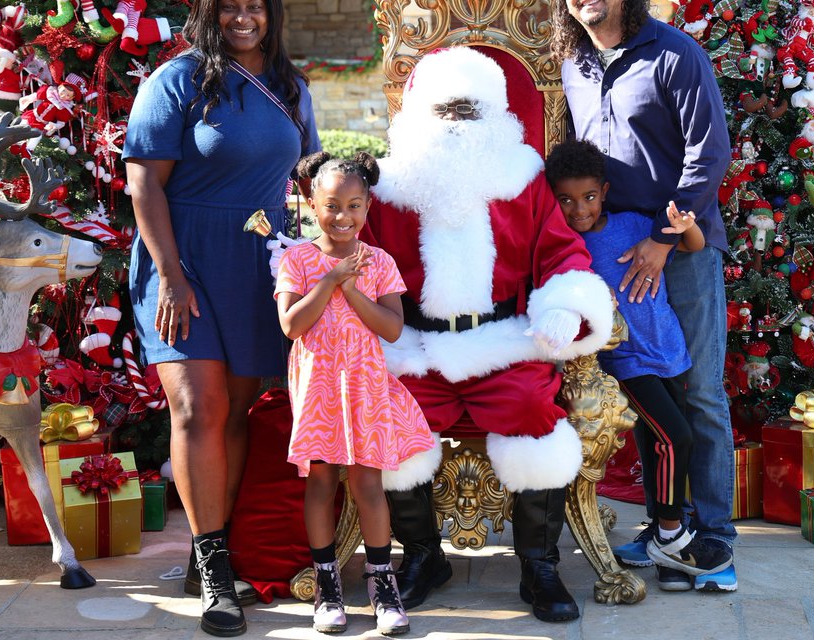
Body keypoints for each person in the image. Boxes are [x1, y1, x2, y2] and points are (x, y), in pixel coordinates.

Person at [359, 46, 615, 622]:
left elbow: (563, 254)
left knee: (533, 410)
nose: (456, 126)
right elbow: (361, 264)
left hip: (503, 341)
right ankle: (423, 556)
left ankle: (539, 564)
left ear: (496, 114)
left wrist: (563, 309)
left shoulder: (523, 177)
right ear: (420, 111)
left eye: (469, 112)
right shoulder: (389, 186)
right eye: (445, 111)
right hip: (415, 347)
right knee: (393, 421)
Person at [124, 0, 320, 637]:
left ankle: (220, 544)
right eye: (230, 7)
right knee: (197, 408)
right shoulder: (176, 81)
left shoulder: (292, 88)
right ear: (209, 12)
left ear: (273, 14)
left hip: (258, 263)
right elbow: (144, 184)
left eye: (255, 8)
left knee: (234, 411)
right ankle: (212, 571)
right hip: (184, 262)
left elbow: (311, 176)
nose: (243, 18)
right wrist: (171, 275)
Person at [553, 0, 737, 592]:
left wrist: (661, 239)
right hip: (610, 256)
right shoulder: (575, 63)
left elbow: (708, 153)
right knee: (645, 394)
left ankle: (712, 537)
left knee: (700, 392)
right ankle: (669, 528)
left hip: (677, 248)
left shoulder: (672, 53)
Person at [544, 140, 732, 587]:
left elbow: (695, 244)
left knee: (658, 440)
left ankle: (661, 533)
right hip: (627, 359)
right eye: (566, 200)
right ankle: (671, 533)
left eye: (588, 197)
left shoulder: (632, 225)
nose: (578, 210)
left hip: (668, 349)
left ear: (604, 191)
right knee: (676, 437)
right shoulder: (566, 247)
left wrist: (680, 227)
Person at [275, 151, 432, 636]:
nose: (343, 217)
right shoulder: (297, 258)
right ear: (311, 203)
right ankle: (327, 584)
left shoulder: (379, 262)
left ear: (367, 207)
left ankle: (382, 582)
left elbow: (390, 327)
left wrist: (352, 289)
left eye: (355, 206)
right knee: (321, 483)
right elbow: (291, 325)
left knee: (367, 485)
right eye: (331, 206)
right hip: (319, 387)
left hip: (363, 387)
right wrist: (328, 281)